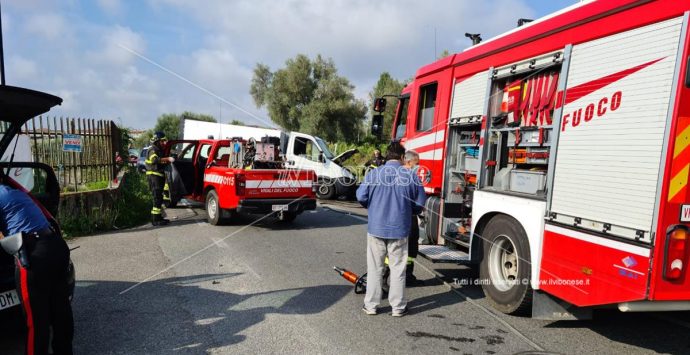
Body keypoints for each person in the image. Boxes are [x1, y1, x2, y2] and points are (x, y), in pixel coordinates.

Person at [0, 171, 73, 355]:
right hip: (56, 247)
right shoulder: (15, 191)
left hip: (34, 255)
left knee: (36, 322)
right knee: (60, 312)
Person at [356, 142, 426, 317]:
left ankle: (371, 306)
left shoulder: (374, 174)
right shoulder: (411, 176)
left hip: (376, 228)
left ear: (387, 156)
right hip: (400, 229)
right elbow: (419, 204)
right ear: (402, 157)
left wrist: (373, 206)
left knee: (375, 268)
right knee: (398, 269)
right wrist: (410, 210)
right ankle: (398, 308)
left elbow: (361, 196)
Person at [402, 150, 425, 286]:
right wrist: (414, 211)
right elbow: (420, 201)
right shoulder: (414, 177)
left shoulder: (393, 175)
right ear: (409, 162)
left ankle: (387, 275)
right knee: (410, 247)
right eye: (417, 163)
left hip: (394, 218)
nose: (419, 166)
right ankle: (408, 276)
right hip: (409, 217)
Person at [145, 131, 175, 226]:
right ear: (157, 141)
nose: (164, 143)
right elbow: (155, 160)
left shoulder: (158, 149)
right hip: (154, 177)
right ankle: (155, 220)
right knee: (156, 198)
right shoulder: (152, 149)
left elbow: (161, 162)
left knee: (158, 198)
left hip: (158, 177)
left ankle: (158, 217)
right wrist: (167, 159)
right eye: (162, 141)